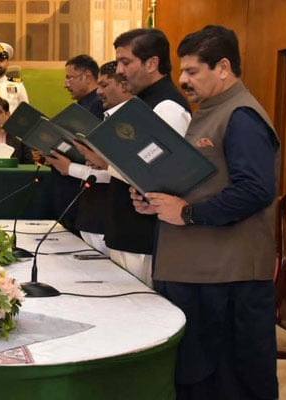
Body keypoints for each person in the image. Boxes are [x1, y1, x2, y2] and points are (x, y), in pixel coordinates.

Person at [131, 25, 279, 399]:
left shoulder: (241, 115)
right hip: (198, 275)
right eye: (182, 70)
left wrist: (187, 214)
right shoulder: (211, 112)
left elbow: (255, 190)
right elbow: (202, 185)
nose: (182, 80)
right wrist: (157, 202)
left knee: (229, 386)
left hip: (227, 283)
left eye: (193, 71)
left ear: (223, 68)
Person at [105, 28, 191, 287]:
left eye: (126, 62)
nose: (119, 70)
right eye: (118, 62)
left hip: (144, 234)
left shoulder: (167, 107)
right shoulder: (141, 102)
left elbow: (163, 175)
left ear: (152, 63)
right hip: (127, 227)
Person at [48, 61, 132, 255]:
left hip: (112, 217)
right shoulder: (108, 114)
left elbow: (119, 173)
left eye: (104, 85)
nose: (99, 92)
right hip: (92, 212)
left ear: (123, 85)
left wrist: (71, 168)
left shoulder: (124, 121)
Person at [45, 54, 105, 234]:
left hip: (82, 190)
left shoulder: (98, 106)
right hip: (70, 186)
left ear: (87, 77)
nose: (66, 84)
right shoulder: (82, 106)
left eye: (69, 78)